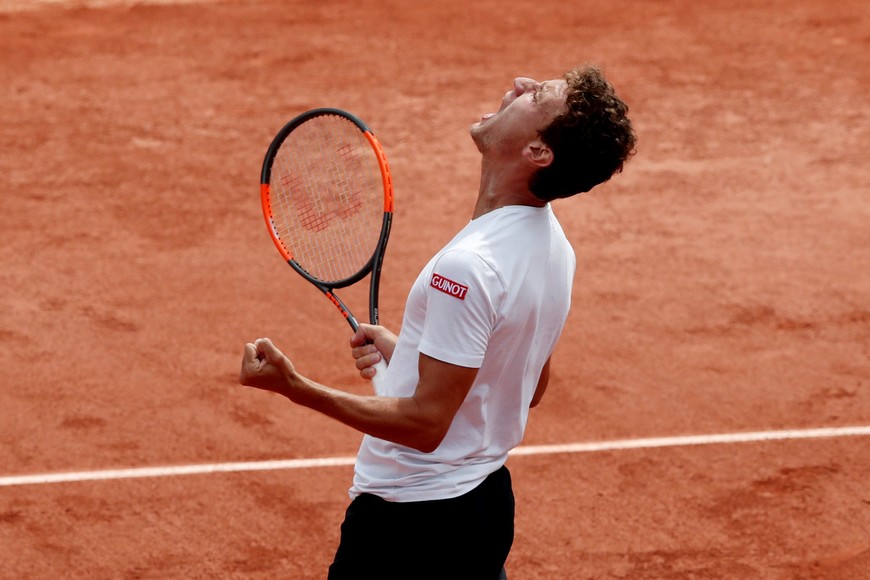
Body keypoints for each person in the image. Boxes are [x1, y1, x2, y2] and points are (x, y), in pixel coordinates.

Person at [239, 64, 637, 579]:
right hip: (482, 508)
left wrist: (294, 387)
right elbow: (524, 382)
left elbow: (425, 426)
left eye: (536, 96)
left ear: (538, 152)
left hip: (412, 528)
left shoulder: (469, 266)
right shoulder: (554, 248)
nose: (518, 83)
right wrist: (413, 351)